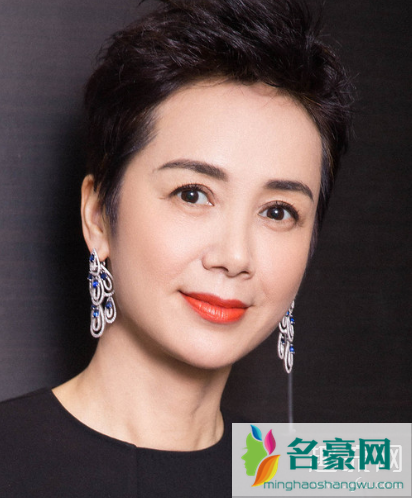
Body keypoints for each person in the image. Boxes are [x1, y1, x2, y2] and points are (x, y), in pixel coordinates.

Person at [0, 0, 353, 496]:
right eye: (192, 195)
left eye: (278, 212)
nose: (235, 257)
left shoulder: (325, 474)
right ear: (98, 215)